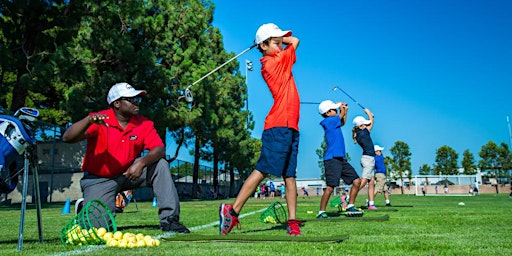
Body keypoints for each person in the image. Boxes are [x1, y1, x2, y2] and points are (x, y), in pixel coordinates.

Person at [63, 82, 189, 233]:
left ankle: (170, 220)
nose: (137, 102)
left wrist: (141, 163)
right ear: (116, 103)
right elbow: (67, 138)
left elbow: (159, 149)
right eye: (131, 99)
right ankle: (85, 208)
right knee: (98, 228)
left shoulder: (144, 123)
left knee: (160, 164)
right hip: (100, 179)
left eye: (137, 98)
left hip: (128, 172)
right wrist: (88, 120)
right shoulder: (98, 119)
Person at [219, 23, 302, 236]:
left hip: (290, 126)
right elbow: (295, 41)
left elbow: (289, 42)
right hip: (278, 126)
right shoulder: (273, 63)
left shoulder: (277, 57)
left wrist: (272, 40)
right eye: (276, 42)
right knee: (263, 170)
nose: (281, 44)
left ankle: (292, 221)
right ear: (264, 45)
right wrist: (275, 41)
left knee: (289, 176)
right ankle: (233, 211)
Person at [316, 100, 363, 218]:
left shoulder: (334, 121)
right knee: (330, 187)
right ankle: (321, 212)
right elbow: (340, 116)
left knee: (357, 181)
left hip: (341, 158)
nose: (336, 111)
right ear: (327, 113)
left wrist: (345, 111)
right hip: (332, 159)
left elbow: (342, 121)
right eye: (333, 109)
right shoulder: (328, 121)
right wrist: (343, 109)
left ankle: (350, 206)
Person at [352, 108, 378, 210]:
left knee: (371, 182)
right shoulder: (363, 133)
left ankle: (371, 204)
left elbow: (370, 123)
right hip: (368, 159)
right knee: (364, 180)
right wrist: (368, 113)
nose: (366, 125)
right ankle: (349, 197)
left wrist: (370, 116)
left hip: (367, 158)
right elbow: (371, 123)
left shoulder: (359, 133)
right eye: (364, 124)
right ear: (360, 126)